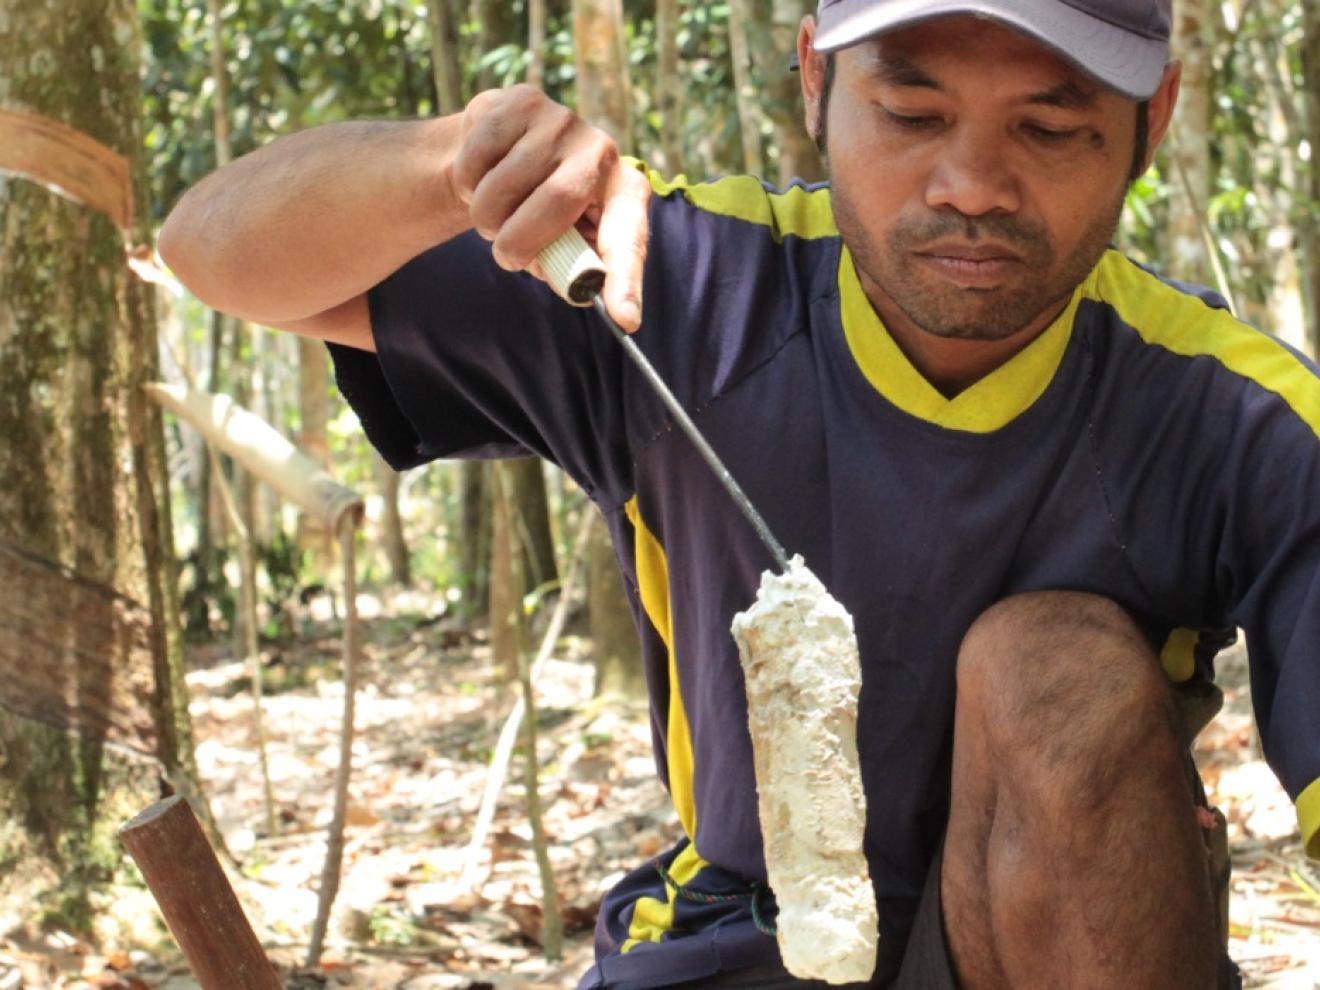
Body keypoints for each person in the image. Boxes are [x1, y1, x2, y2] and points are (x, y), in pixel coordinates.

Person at [159, 0, 1320, 986]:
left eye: (1052, 126)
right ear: (815, 76)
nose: (971, 186)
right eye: (910, 114)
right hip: (743, 934)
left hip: (1063, 942)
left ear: (1152, 120)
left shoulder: (1233, 416)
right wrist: (450, 162)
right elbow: (212, 253)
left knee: (1048, 663)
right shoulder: (673, 286)